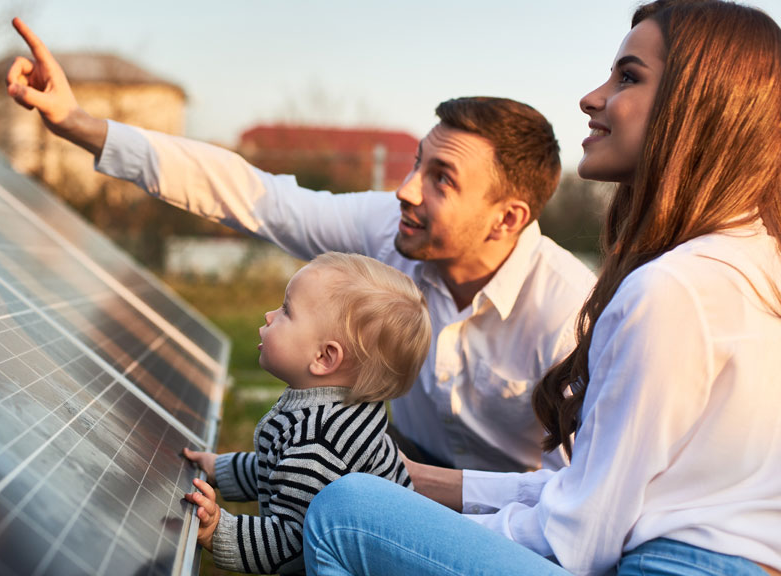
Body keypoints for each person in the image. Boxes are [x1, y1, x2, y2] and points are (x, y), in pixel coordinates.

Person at [301, 1, 781, 575]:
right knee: (369, 498)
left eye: (628, 77)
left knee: (344, 515)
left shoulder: (672, 288)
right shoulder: (753, 259)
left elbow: (580, 539)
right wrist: (415, 483)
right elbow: (589, 492)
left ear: (698, 109)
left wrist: (411, 521)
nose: (592, 97)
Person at [5, 19, 596, 474]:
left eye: (442, 178)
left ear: (506, 218)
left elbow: (573, 500)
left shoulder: (570, 314)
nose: (406, 188)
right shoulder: (392, 228)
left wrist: (406, 488)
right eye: (418, 162)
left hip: (512, 518)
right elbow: (254, 196)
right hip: (403, 461)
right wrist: (80, 124)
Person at [179, 251, 430, 574]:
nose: (269, 315)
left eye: (285, 310)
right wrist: (220, 469)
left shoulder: (320, 443)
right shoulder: (332, 411)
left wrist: (218, 531)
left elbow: (292, 544)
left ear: (324, 358)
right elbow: (281, 469)